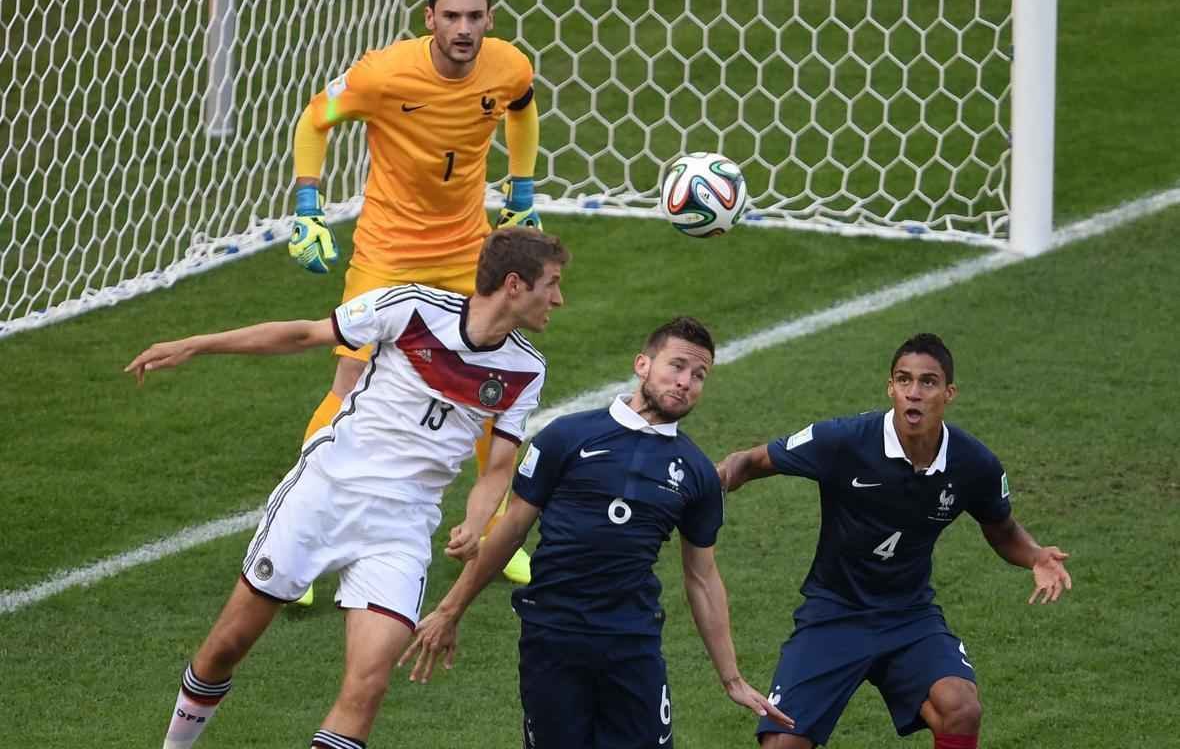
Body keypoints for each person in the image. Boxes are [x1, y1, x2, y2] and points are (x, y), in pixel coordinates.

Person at [127, 228, 569, 749]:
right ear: (514, 285)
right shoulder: (411, 308)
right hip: (325, 495)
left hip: (402, 527)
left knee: (368, 685)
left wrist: (475, 523)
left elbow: (497, 468)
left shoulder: (526, 369)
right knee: (227, 645)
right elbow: (304, 335)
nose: (558, 299)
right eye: (552, 283)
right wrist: (196, 344)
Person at [400, 317, 794, 748]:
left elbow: (702, 577)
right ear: (642, 364)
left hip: (632, 645)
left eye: (699, 375)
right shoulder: (566, 437)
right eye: (677, 366)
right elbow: (511, 532)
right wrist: (450, 610)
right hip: (552, 639)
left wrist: (732, 678)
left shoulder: (696, 472)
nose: (685, 382)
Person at [288, 0, 541, 594]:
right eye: (451, 16)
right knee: (350, 382)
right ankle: (301, 536)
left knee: (488, 387)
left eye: (475, 16)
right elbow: (315, 118)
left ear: (489, 18)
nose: (464, 29)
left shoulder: (508, 66)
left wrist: (522, 189)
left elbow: (522, 107)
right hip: (388, 253)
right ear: (429, 19)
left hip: (465, 254)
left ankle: (493, 532)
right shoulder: (383, 74)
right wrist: (308, 206)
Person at [715, 333, 1073, 749]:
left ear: (949, 393)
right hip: (835, 612)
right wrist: (701, 487)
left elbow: (1003, 529)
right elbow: (751, 461)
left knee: (960, 707)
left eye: (927, 382)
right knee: (782, 743)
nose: (913, 393)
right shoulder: (844, 440)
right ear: (890, 388)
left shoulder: (974, 464)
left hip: (908, 615)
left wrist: (1035, 556)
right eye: (904, 380)